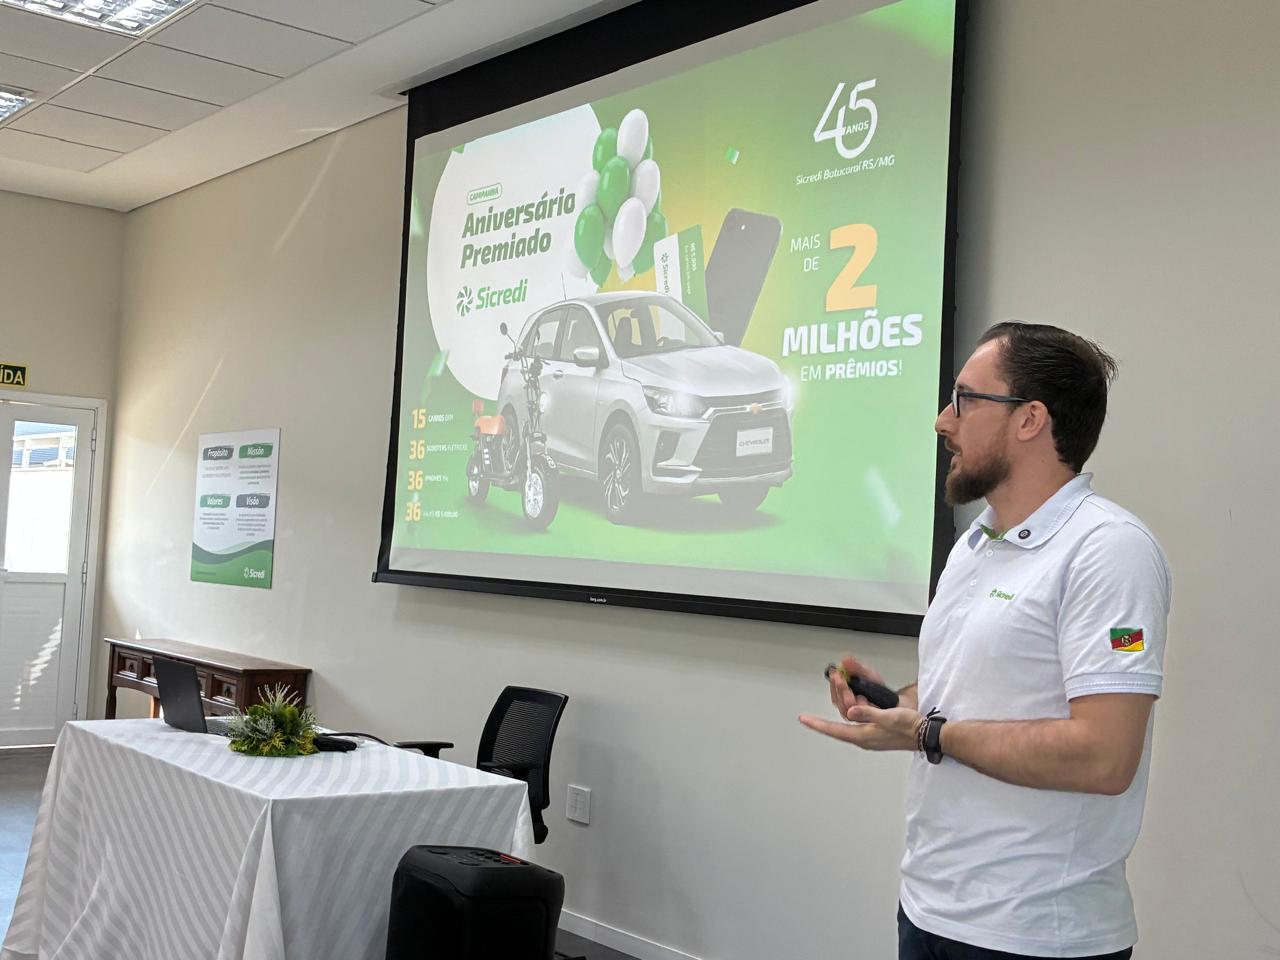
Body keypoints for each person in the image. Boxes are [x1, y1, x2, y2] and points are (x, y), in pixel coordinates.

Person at [800, 323, 1170, 959]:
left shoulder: (1110, 552)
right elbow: (972, 691)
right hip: (930, 908)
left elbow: (1105, 757)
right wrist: (897, 706)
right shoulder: (976, 543)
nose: (943, 421)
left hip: (1037, 933)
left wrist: (928, 733)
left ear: (1030, 419)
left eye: (965, 400)